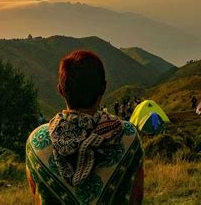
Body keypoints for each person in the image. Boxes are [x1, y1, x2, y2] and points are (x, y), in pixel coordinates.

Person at [26, 50, 144, 204]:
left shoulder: (35, 142)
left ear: (60, 90)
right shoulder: (128, 136)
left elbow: (36, 196)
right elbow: (136, 197)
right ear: (104, 87)